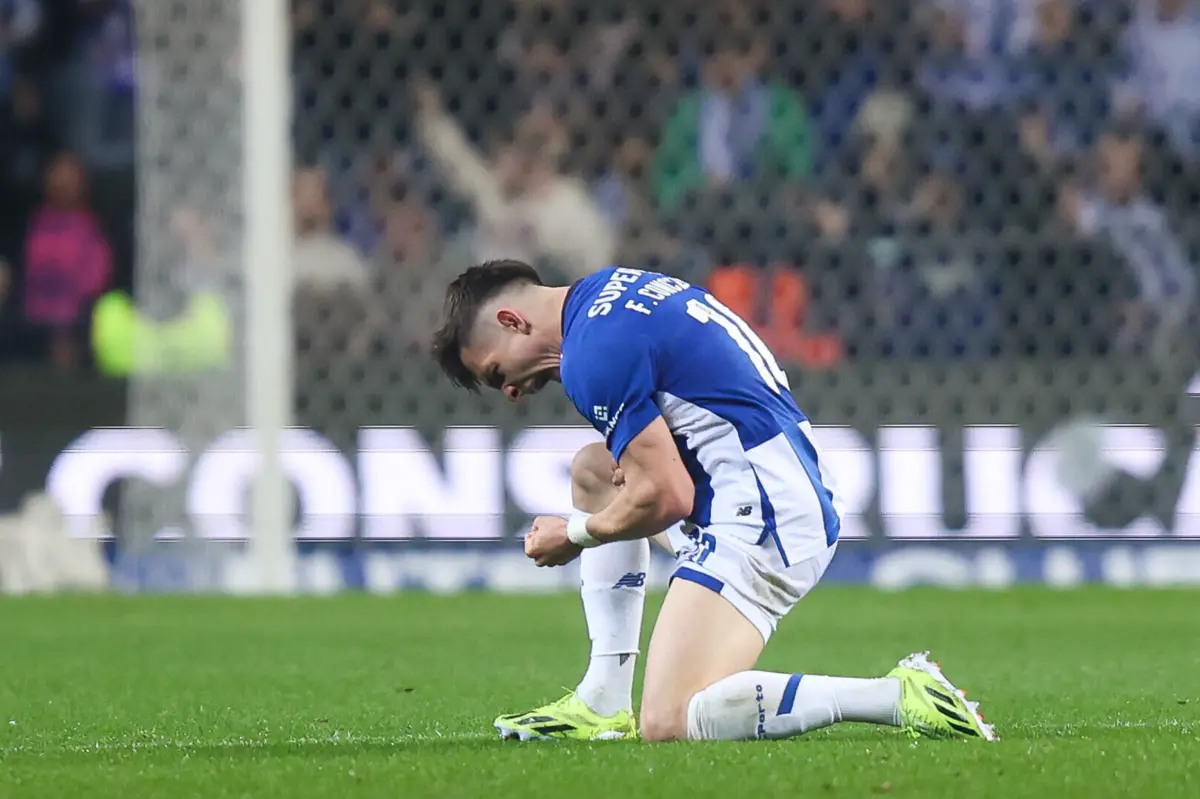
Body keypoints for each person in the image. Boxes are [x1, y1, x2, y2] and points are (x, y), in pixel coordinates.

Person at [430, 260, 996, 744]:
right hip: (772, 480)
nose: (511, 392)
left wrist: (574, 536)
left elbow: (667, 495)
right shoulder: (611, 290)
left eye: (497, 373)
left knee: (668, 721)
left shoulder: (591, 354)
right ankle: (602, 700)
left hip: (765, 514)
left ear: (512, 321)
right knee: (595, 472)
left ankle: (898, 696)